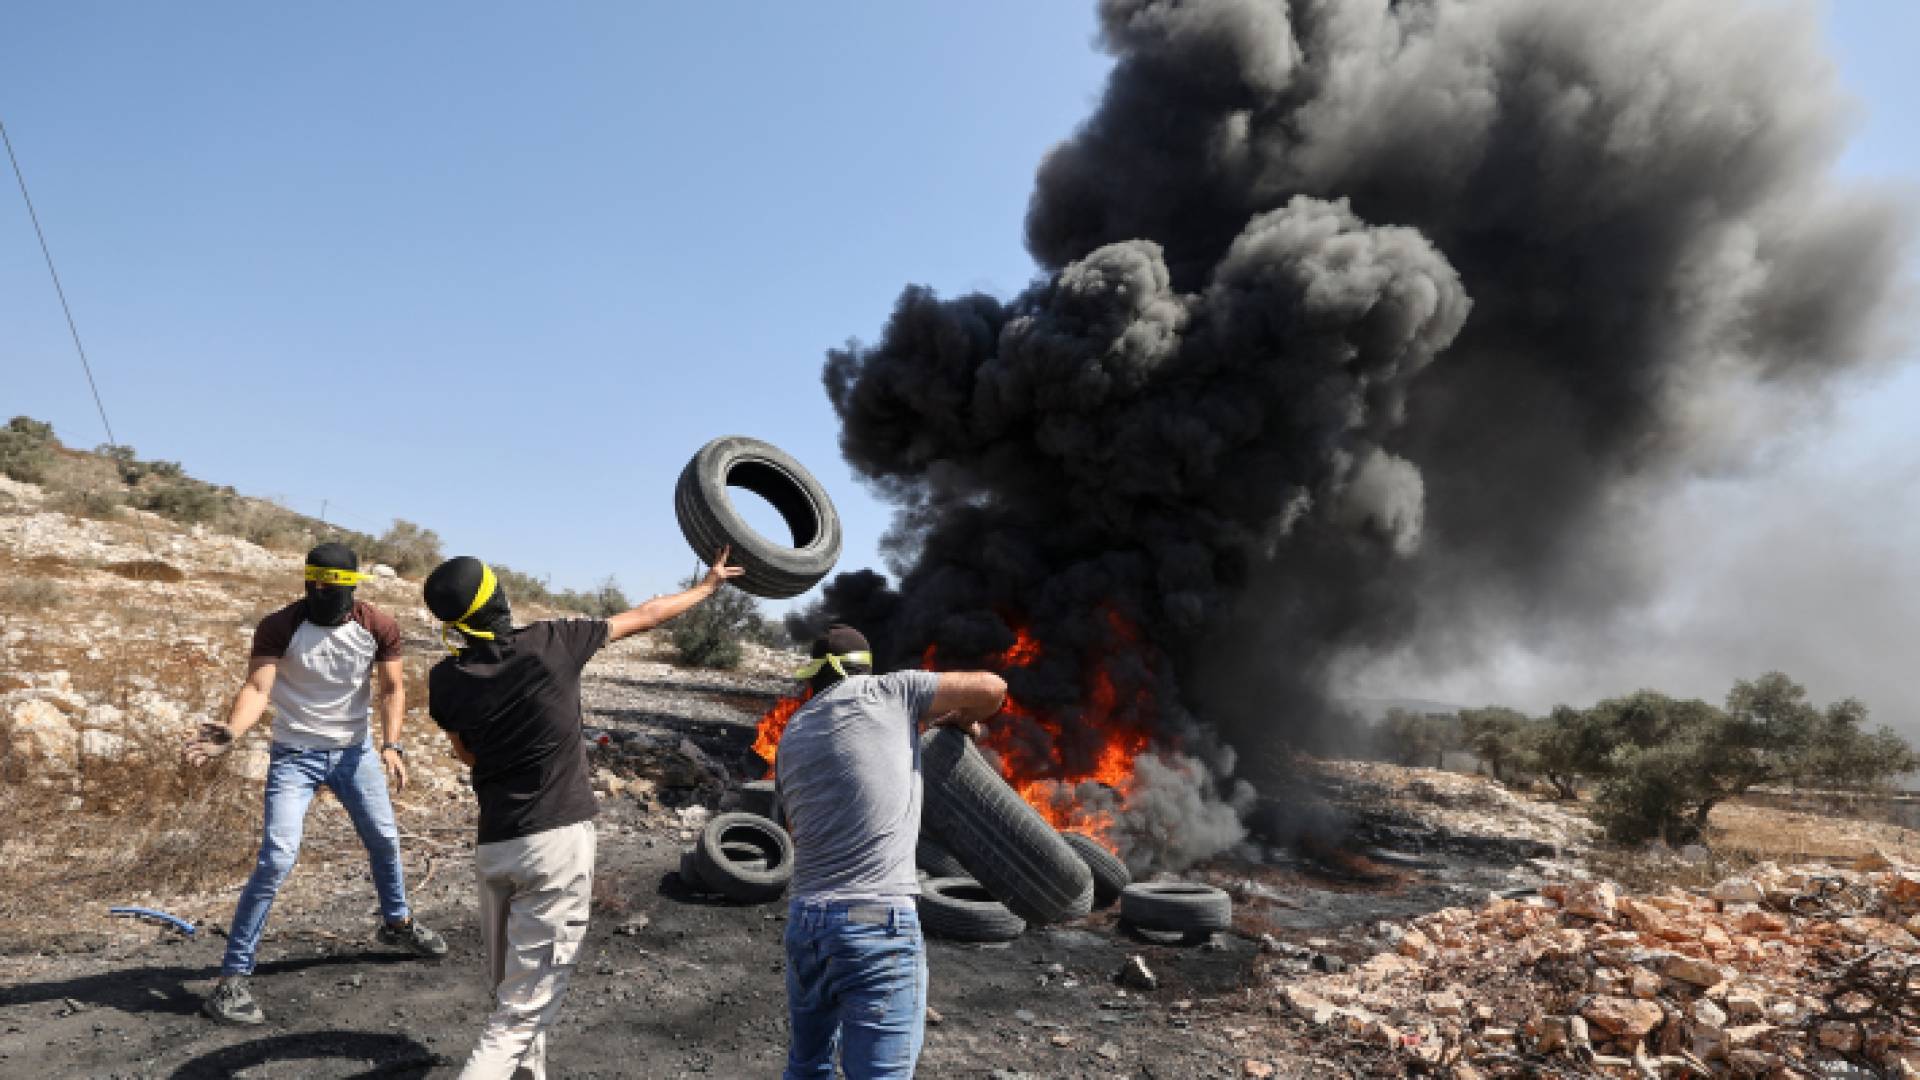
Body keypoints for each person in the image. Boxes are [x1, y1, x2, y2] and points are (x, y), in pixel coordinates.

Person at [423, 547, 744, 1080]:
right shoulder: (552, 642)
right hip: (555, 844)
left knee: (511, 996)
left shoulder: (445, 680)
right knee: (521, 1011)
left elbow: (467, 755)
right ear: (498, 599)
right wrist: (707, 587)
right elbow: (646, 615)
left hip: (496, 845)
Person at [184, 542, 448, 1026]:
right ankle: (232, 979)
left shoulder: (377, 626)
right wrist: (233, 731)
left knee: (385, 840)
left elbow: (392, 689)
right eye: (316, 586)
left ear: (352, 587)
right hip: (294, 758)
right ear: (307, 583)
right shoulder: (281, 625)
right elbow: (258, 687)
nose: (323, 595)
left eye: (334, 588)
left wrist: (392, 746)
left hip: (355, 754)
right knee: (277, 858)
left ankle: (397, 923)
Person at [774, 623, 1007, 1080]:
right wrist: (959, 719)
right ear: (865, 669)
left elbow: (792, 828)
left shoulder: (791, 732)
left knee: (807, 1068)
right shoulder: (890, 691)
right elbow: (993, 688)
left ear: (812, 679)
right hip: (876, 925)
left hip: (806, 923)